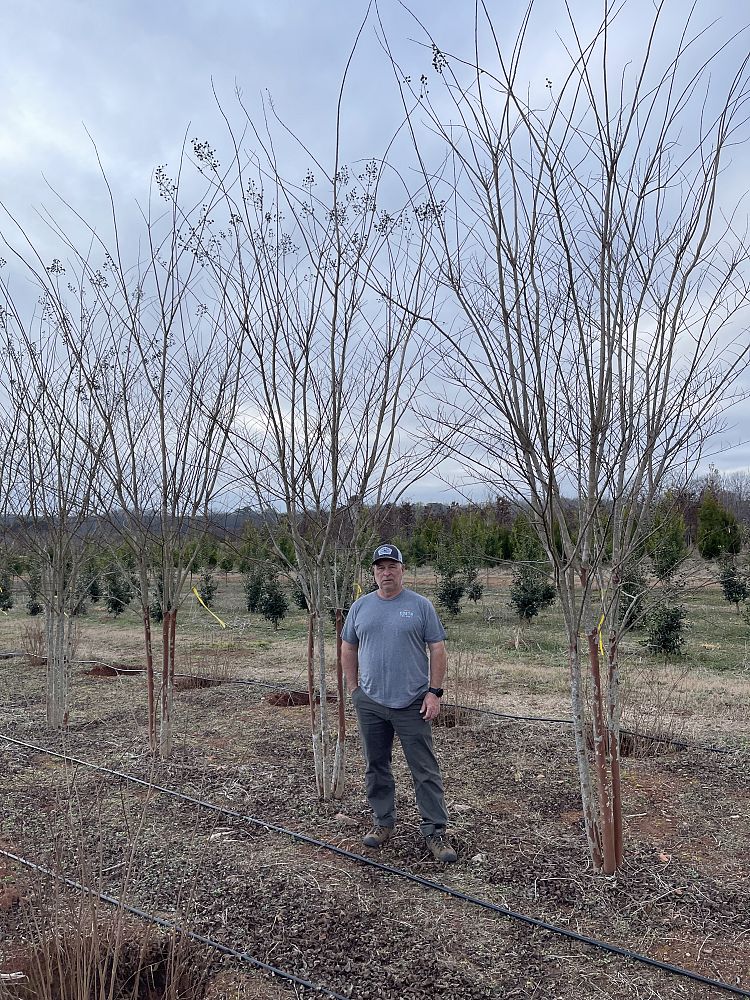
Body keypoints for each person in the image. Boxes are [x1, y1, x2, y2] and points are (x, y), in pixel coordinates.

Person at [341, 543, 457, 863]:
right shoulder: (361, 607)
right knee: (376, 766)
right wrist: (354, 689)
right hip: (371, 702)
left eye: (392, 566)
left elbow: (437, 648)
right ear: (374, 572)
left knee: (424, 769)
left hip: (412, 703)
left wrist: (434, 692)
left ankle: (434, 831)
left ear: (403, 570)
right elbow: (348, 647)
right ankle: (382, 822)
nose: (386, 572)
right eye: (380, 567)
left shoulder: (420, 606)